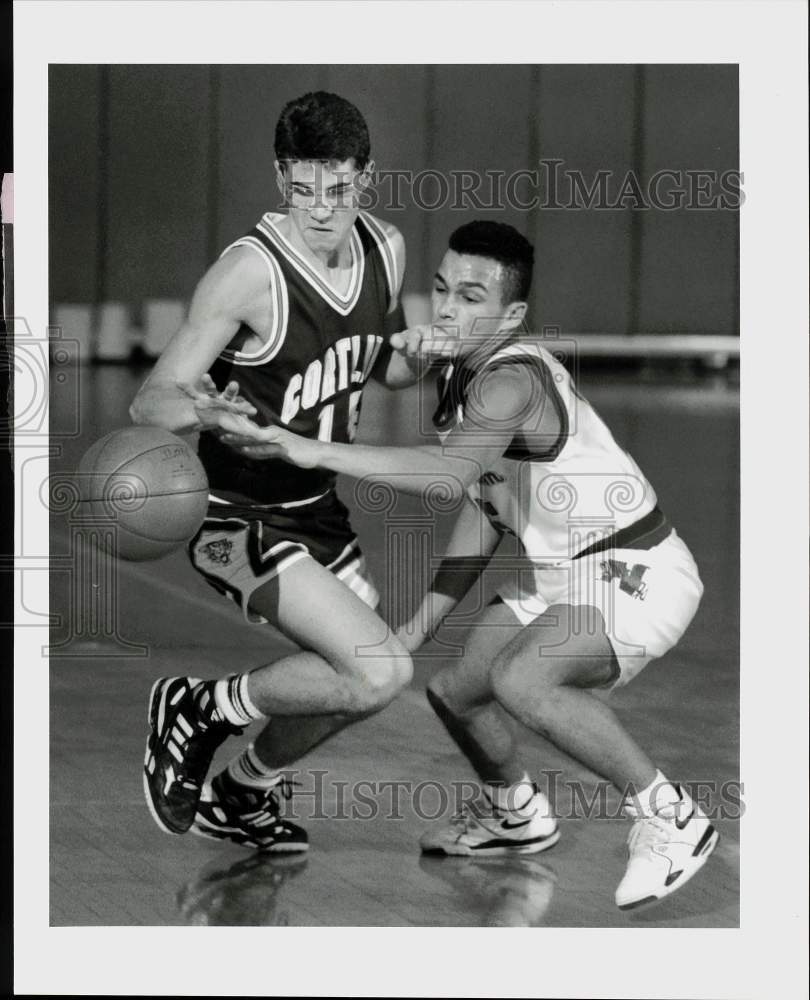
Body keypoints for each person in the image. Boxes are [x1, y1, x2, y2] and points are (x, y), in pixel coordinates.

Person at [219, 219, 720, 909]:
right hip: (565, 575)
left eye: (473, 296)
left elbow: (449, 476)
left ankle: (671, 819)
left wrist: (315, 451)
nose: (449, 307)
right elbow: (486, 504)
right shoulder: (463, 374)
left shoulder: (512, 380)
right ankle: (515, 816)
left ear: (511, 314)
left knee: (523, 679)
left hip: (636, 571)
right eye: (442, 289)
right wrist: (424, 623)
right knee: (456, 693)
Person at [131, 91, 432, 853]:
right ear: (280, 178)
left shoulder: (385, 249)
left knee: (353, 684)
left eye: (338, 189)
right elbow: (150, 400)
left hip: (321, 510)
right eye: (304, 190)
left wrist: (423, 355)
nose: (322, 210)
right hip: (235, 514)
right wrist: (207, 414)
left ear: (366, 177)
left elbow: (383, 364)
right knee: (379, 672)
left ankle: (241, 792)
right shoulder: (249, 273)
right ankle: (199, 708)